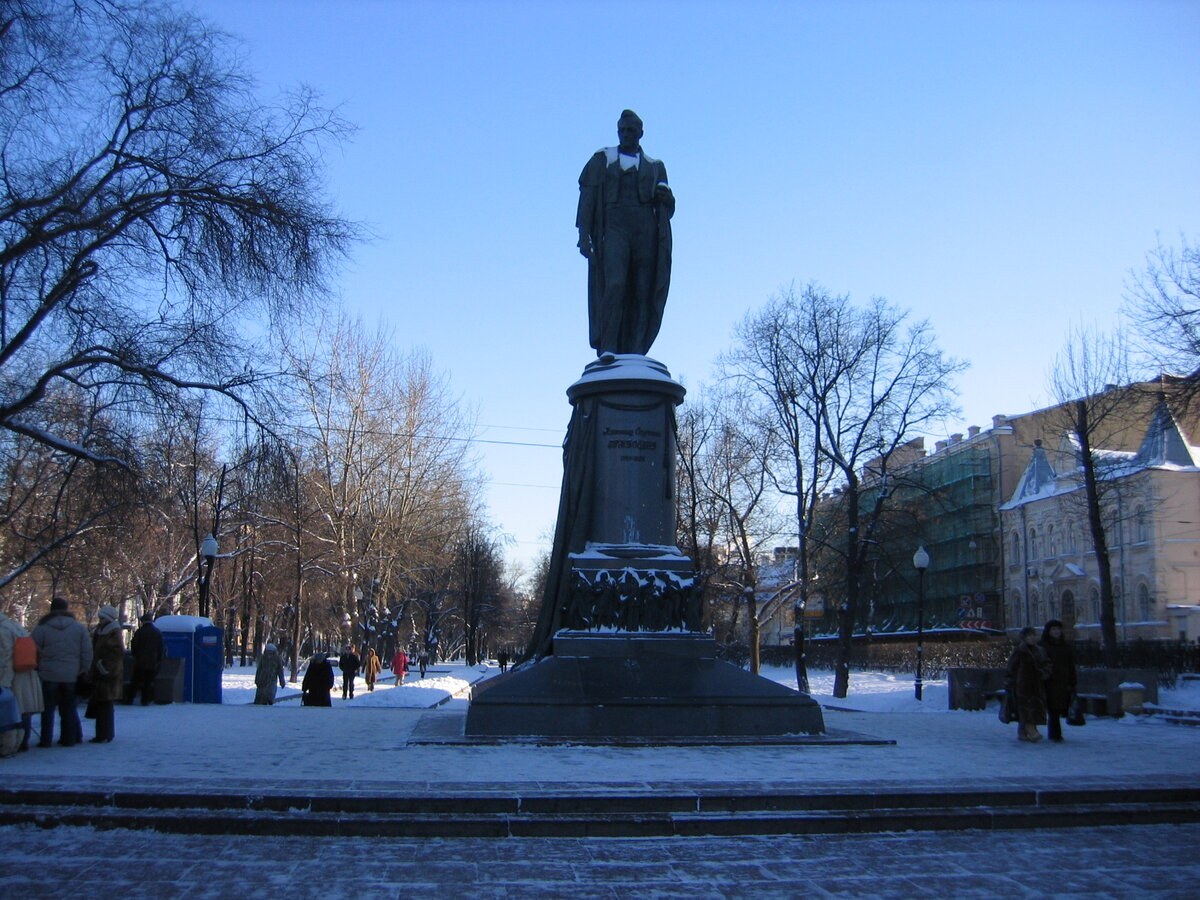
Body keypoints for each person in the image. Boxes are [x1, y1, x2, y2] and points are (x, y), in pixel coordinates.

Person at [576, 109, 675, 356]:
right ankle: (609, 346)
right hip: (614, 227)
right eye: (622, 130)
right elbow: (587, 198)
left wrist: (668, 199)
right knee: (616, 284)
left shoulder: (655, 167)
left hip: (645, 231)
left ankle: (636, 351)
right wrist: (583, 234)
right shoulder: (602, 159)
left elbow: (667, 210)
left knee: (642, 290)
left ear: (641, 133)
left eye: (631, 130)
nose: (626, 134)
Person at [31, 597, 91, 747]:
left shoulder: (41, 628)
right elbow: (87, 652)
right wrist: (83, 670)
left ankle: (45, 739)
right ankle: (68, 739)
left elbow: (33, 650)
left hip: (48, 674)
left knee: (47, 710)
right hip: (71, 674)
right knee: (68, 709)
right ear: (66, 609)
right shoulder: (78, 628)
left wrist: (39, 666)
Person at [0, 607, 43, 753]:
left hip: (14, 677)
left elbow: (5, 658)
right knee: (23, 711)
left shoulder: (2, 630)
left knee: (12, 712)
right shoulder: (14, 626)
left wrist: (3, 683)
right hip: (27, 674)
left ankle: (15, 744)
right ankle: (22, 743)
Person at [1005, 626, 1052, 743]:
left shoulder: (1040, 650)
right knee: (1025, 708)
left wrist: (1044, 673)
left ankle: (1025, 731)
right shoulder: (1020, 651)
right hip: (1023, 685)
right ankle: (1031, 731)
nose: (1032, 638)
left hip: (1037, 684)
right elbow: (1011, 667)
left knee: (1035, 707)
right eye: (1029, 636)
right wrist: (1011, 681)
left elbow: (1047, 664)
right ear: (1024, 638)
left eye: (1033, 635)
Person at [88, 605, 124, 743]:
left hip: (108, 672)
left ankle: (104, 734)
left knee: (105, 704)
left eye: (102, 617)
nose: (100, 619)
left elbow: (116, 653)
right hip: (102, 671)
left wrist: (103, 667)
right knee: (102, 703)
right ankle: (103, 733)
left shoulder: (112, 631)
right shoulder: (103, 630)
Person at [1040, 618, 1078, 743]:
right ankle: (1055, 734)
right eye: (1054, 629)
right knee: (1053, 708)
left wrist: (1072, 680)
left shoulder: (1065, 646)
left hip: (1063, 680)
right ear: (1049, 631)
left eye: (1058, 629)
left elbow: (1070, 664)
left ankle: (1056, 733)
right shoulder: (1043, 646)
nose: (1056, 632)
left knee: (1060, 707)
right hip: (1049, 681)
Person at [127, 613, 163, 705]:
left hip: (140, 661)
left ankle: (129, 699)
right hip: (152, 661)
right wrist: (158, 658)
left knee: (135, 681)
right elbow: (160, 647)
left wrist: (135, 655)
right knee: (148, 682)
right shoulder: (157, 632)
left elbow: (134, 645)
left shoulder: (140, 632)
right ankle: (145, 700)